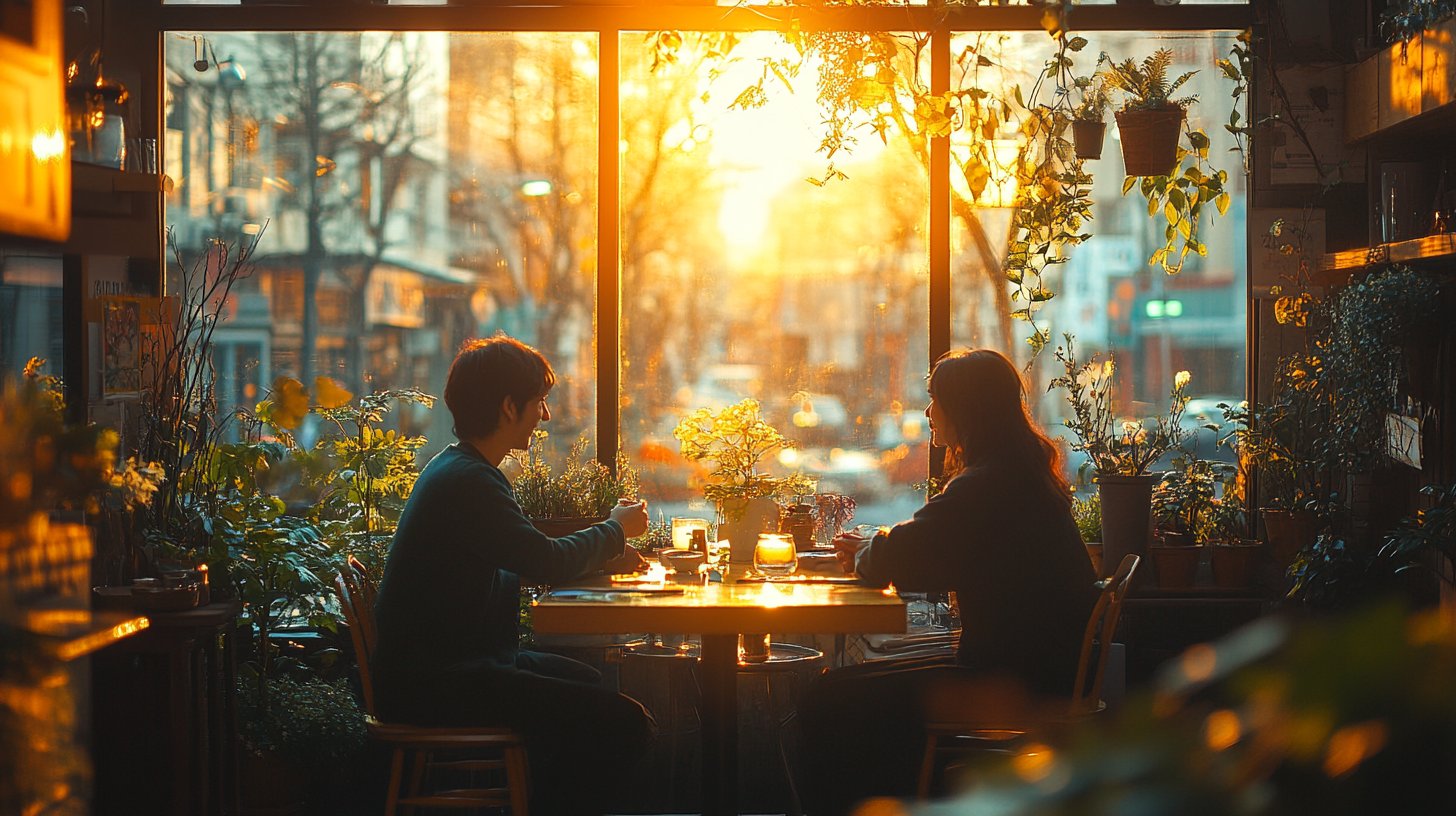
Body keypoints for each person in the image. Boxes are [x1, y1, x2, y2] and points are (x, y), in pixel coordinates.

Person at [796, 348, 1099, 814]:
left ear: (964, 409)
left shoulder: (986, 484)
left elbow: (900, 558)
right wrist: (880, 547)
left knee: (827, 699)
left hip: (1007, 686)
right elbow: (927, 548)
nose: (927, 412)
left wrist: (868, 550)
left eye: (935, 399)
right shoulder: (1019, 475)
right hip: (1041, 674)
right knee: (844, 694)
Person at [371, 335, 655, 815]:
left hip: (443, 669)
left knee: (588, 681)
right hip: (438, 685)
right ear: (508, 407)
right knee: (627, 722)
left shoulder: (458, 468)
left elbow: (520, 554)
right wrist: (614, 529)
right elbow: (543, 560)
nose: (545, 416)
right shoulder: (471, 482)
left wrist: (604, 554)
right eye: (539, 402)